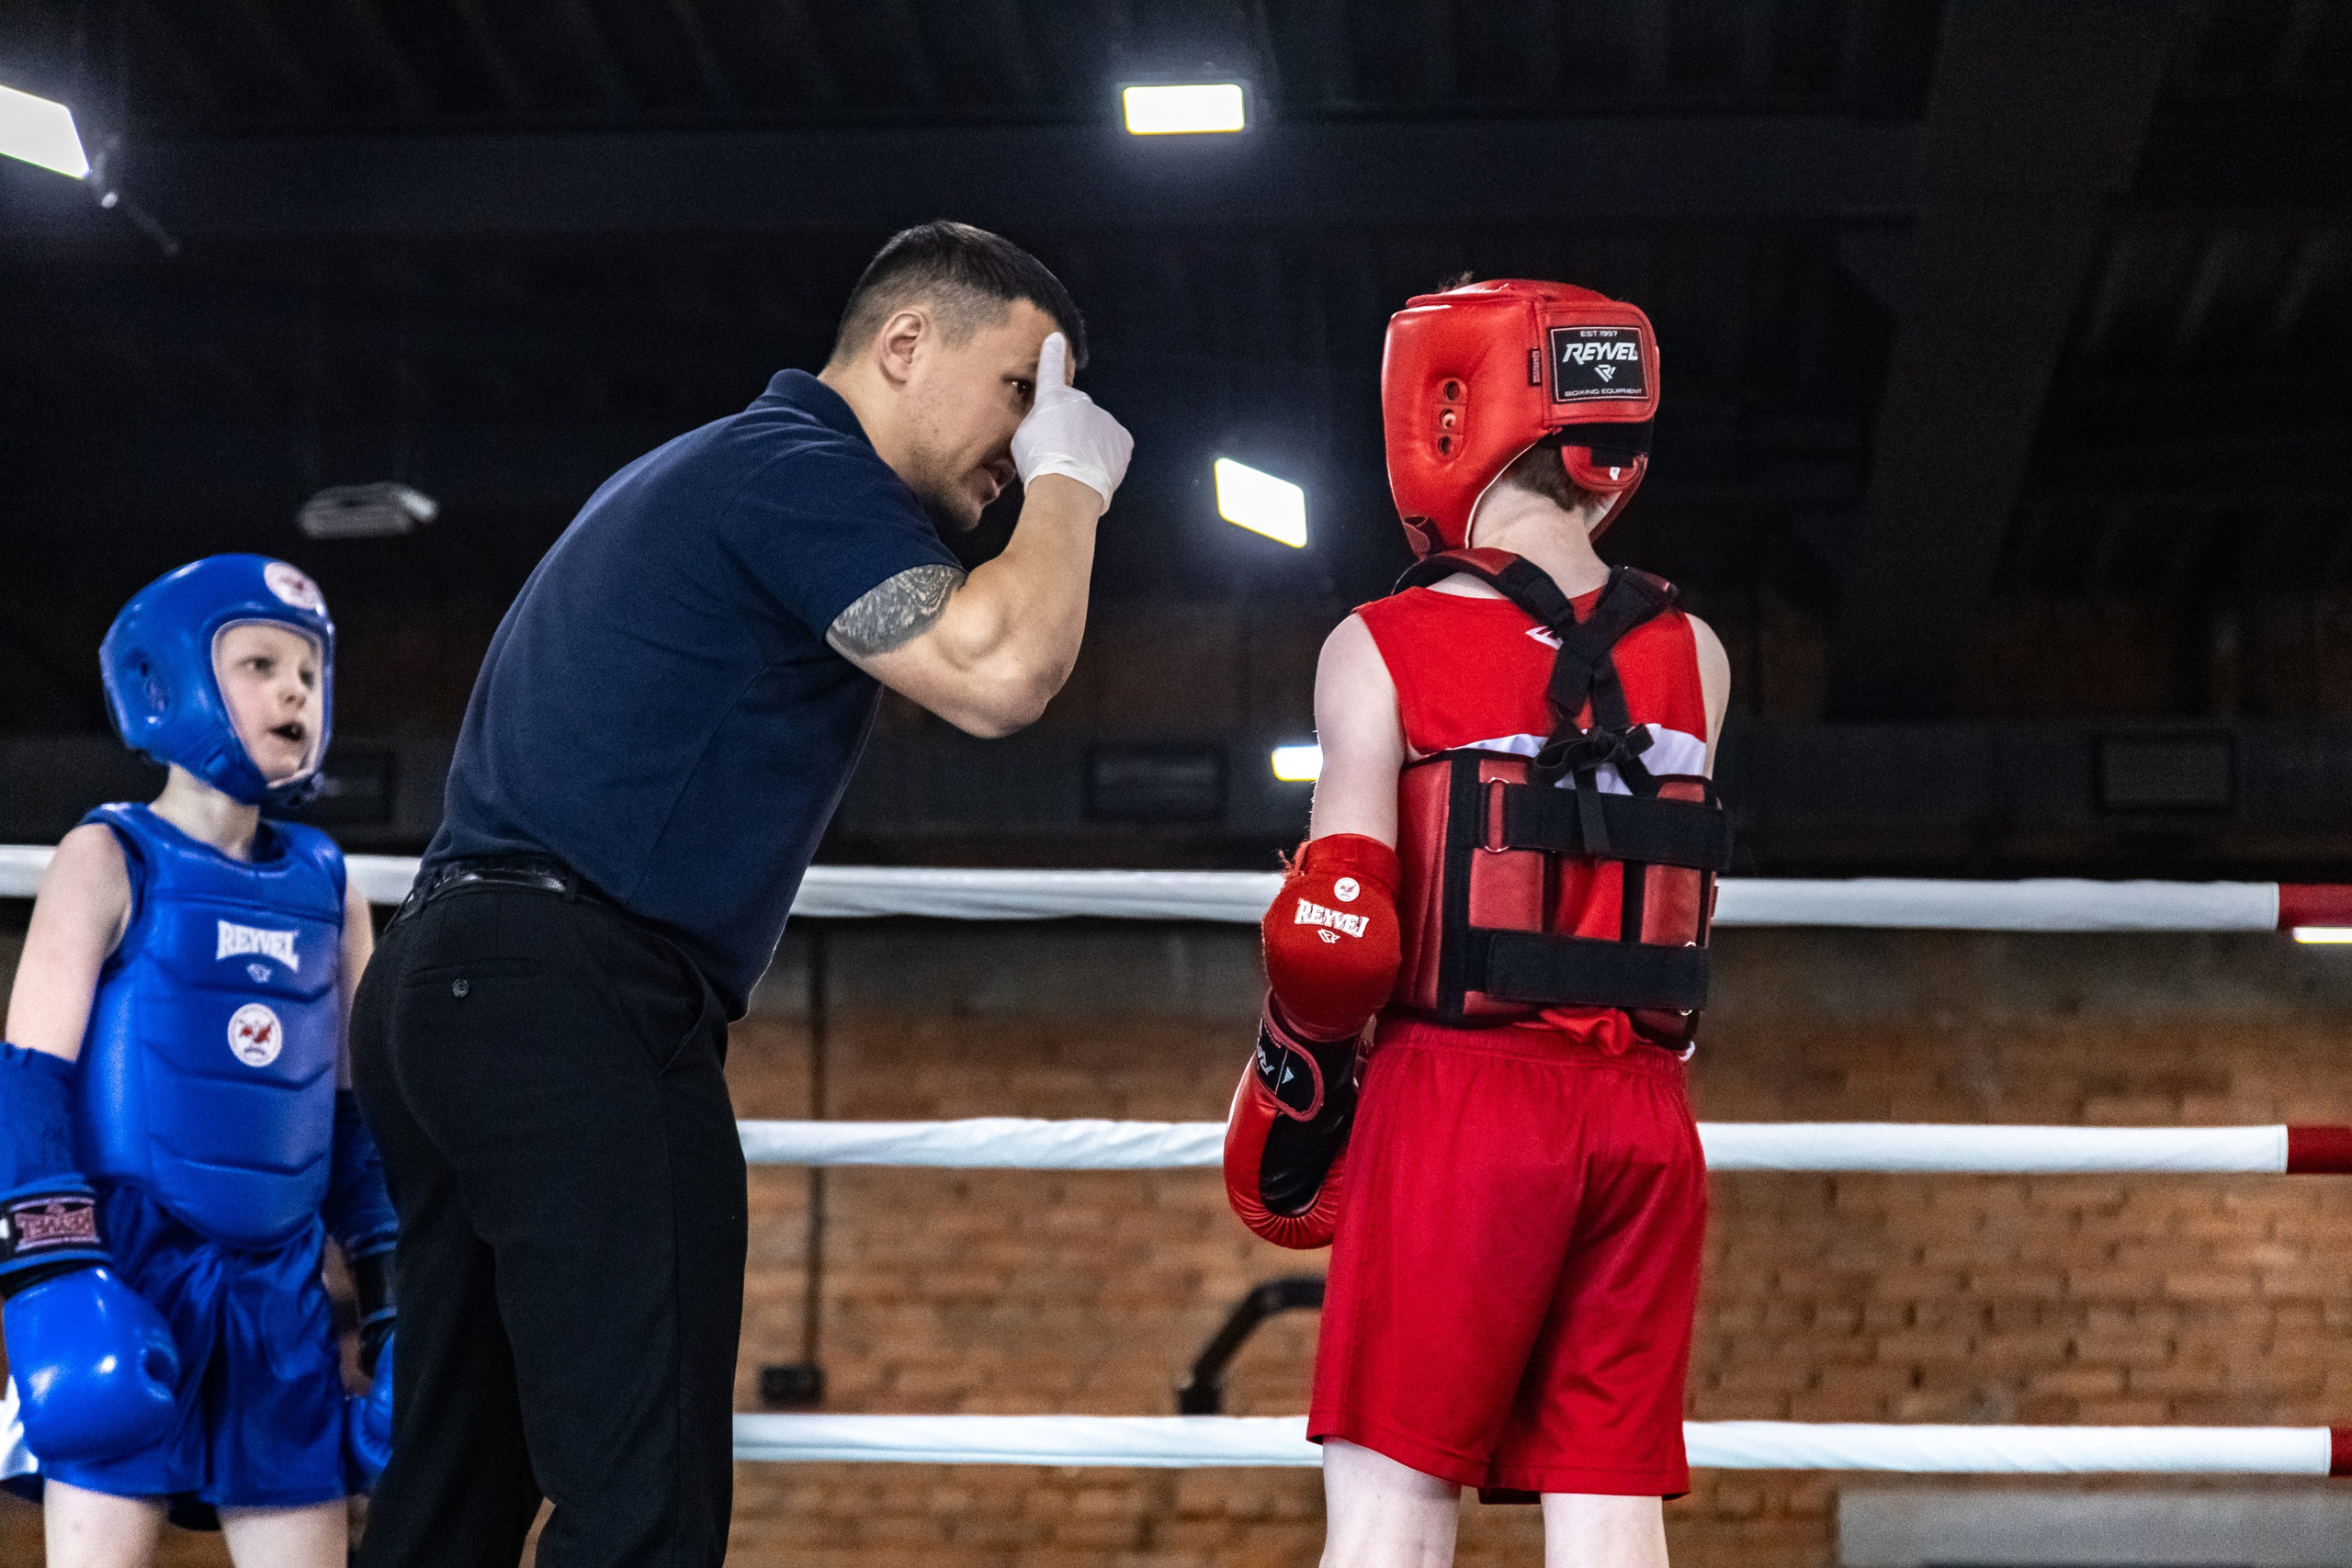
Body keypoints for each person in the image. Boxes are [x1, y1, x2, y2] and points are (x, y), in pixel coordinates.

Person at [349, 220, 1132, 1568]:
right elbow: (1001, 669)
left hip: (454, 983)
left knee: (451, 1497)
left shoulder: (711, 467)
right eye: (1022, 387)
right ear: (903, 344)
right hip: (570, 999)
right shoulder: (798, 468)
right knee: (640, 1505)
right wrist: (1076, 482)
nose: (1028, 436)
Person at [1223, 279, 1733, 1567]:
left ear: (1446, 414)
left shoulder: (1381, 641)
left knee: (1393, 1508)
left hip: (1462, 1103)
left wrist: (1292, 1076)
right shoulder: (1701, 650)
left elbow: (1339, 928)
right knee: (1611, 1508)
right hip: (1645, 1118)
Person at [0, 554, 396, 1567]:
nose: (293, 691)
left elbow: (357, 1123)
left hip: (280, 1298)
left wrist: (397, 1298)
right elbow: (28, 1081)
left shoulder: (328, 883)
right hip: (126, 1272)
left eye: (307, 671)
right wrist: (51, 1276)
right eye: (259, 663)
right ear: (166, 683)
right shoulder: (106, 857)